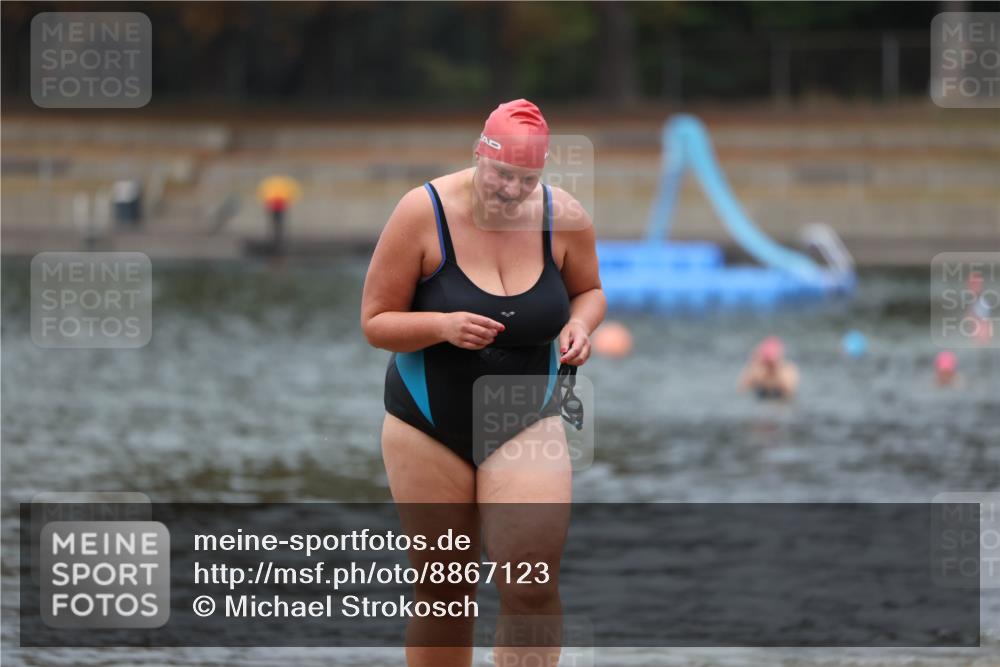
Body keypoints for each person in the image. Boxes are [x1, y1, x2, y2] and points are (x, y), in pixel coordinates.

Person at [360, 99, 605, 667]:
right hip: (426, 422)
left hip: (527, 417)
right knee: (444, 590)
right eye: (500, 174)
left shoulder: (564, 217)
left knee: (532, 584)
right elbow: (374, 323)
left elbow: (590, 291)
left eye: (527, 179)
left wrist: (579, 325)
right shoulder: (421, 212)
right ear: (479, 153)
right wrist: (441, 326)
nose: (511, 191)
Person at [738, 336, 799, 400]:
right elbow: (742, 389)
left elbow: (789, 390)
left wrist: (776, 374)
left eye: (771, 363)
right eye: (767, 363)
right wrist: (752, 366)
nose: (769, 366)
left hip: (780, 397)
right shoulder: (758, 371)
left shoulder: (787, 370)